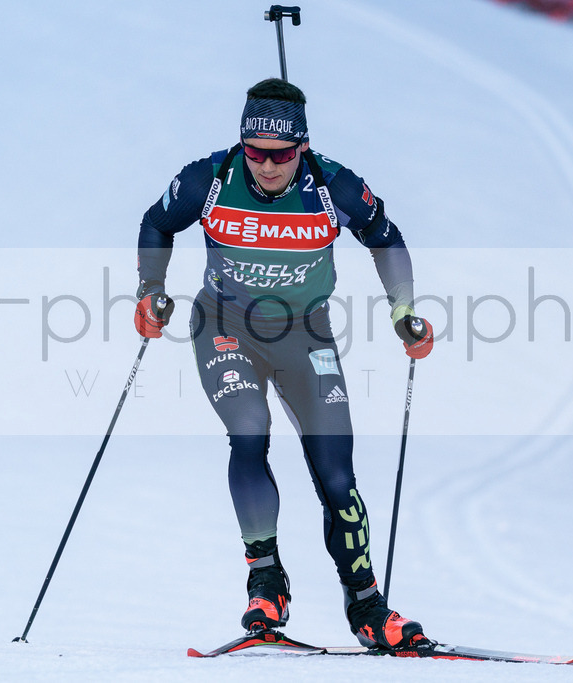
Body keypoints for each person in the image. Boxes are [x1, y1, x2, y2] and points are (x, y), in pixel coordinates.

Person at [133, 78, 434, 649]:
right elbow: (157, 221)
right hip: (223, 325)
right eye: (256, 152)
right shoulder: (209, 179)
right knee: (249, 429)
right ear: (242, 143)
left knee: (338, 477)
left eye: (281, 154)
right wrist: (150, 291)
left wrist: (404, 311)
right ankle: (266, 582)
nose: (268, 166)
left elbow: (385, 238)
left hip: (305, 333)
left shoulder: (334, 185)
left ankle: (368, 606)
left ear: (303, 147)